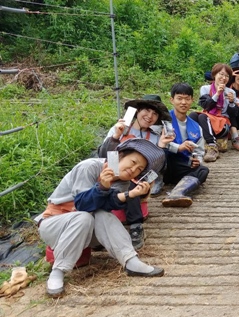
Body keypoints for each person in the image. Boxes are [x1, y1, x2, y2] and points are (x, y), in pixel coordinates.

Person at [35, 138, 166, 298]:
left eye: (139, 169)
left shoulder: (123, 182)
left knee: (101, 214)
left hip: (85, 231)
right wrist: (102, 186)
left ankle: (130, 260)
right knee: (84, 217)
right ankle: (58, 271)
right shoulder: (89, 167)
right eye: (132, 162)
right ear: (120, 155)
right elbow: (82, 204)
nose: (133, 169)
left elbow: (108, 203)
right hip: (55, 225)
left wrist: (132, 194)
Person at [97, 95, 172, 249]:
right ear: (137, 111)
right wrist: (116, 136)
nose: (150, 116)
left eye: (155, 114)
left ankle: (136, 227)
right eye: (147, 110)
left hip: (135, 177)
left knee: (133, 183)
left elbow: (156, 169)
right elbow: (102, 154)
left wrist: (162, 147)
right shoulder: (119, 128)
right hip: (111, 171)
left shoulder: (156, 137)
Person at [162, 83, 210, 207]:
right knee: (164, 154)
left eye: (187, 99)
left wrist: (197, 160)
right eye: (179, 98)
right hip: (165, 163)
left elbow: (199, 151)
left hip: (182, 164)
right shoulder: (164, 121)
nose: (183, 102)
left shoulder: (196, 127)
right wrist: (179, 147)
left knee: (203, 170)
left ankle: (178, 192)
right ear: (172, 100)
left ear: (192, 101)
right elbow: (159, 144)